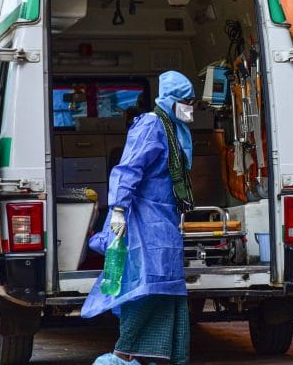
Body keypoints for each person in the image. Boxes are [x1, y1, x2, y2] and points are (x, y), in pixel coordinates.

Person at [82, 70, 197, 365]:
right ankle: (121, 356)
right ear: (170, 100)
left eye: (192, 101)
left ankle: (157, 357)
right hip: (143, 223)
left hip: (164, 223)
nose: (190, 106)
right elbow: (128, 169)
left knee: (165, 289)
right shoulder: (151, 125)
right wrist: (118, 208)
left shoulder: (177, 130)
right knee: (144, 289)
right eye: (186, 101)